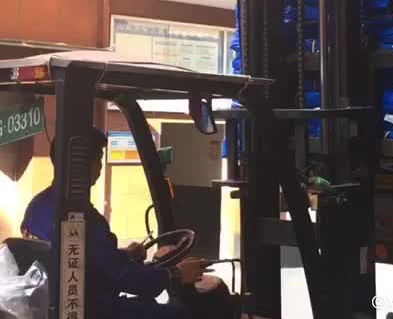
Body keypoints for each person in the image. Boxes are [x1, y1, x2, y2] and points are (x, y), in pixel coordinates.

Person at [21, 127, 234, 318]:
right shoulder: (81, 219)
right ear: (82, 163)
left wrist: (126, 255)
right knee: (181, 314)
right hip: (95, 308)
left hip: (65, 304)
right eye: (98, 158)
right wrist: (176, 274)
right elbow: (125, 278)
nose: (100, 167)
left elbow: (90, 261)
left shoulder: (38, 207)